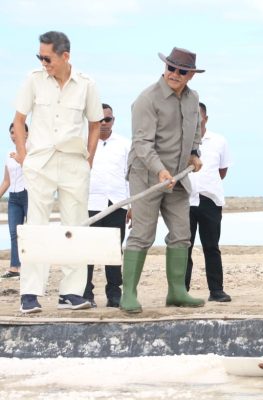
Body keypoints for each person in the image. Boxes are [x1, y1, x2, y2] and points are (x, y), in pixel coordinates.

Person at [13, 31, 103, 314]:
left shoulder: (87, 84)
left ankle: (71, 293)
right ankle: (30, 293)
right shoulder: (33, 80)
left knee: (75, 226)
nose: (43, 62)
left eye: (47, 57)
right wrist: (25, 156)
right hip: (40, 163)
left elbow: (95, 123)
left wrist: (88, 159)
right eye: (40, 57)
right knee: (36, 226)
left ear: (65, 56)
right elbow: (18, 120)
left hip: (74, 164)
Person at [120, 47, 205, 313]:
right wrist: (159, 171)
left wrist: (194, 153)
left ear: (190, 75)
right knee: (143, 234)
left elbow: (194, 132)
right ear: (165, 68)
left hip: (178, 177)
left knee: (182, 234)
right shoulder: (147, 98)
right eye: (171, 68)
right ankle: (128, 295)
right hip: (147, 175)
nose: (175, 74)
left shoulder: (193, 99)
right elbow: (142, 144)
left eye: (182, 71)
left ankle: (177, 292)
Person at [83, 103, 130, 308]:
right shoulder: (82, 143)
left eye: (107, 119)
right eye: (99, 119)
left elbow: (131, 176)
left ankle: (114, 293)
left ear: (113, 121)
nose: (103, 123)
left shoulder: (124, 144)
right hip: (89, 203)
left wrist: (132, 205)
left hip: (116, 203)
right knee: (88, 250)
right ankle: (85, 293)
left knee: (113, 251)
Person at [185, 102, 232, 302]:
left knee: (211, 246)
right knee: (183, 247)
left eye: (199, 116)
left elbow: (222, 171)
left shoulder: (219, 141)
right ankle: (181, 290)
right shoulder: (182, 142)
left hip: (210, 200)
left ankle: (216, 290)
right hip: (185, 200)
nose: (196, 120)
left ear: (205, 118)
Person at [0, 123, 29, 280]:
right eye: (11, 132)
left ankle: (31, 267)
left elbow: (37, 172)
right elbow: (6, 180)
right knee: (14, 233)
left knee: (30, 232)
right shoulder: (8, 153)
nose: (14, 134)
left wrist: (21, 160)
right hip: (13, 198)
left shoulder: (33, 151)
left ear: (26, 133)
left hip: (29, 195)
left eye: (17, 131)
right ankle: (14, 268)